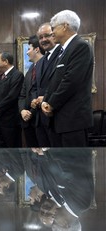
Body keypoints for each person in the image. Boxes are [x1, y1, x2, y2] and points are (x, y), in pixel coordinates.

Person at [41, 10, 94, 147]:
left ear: (65, 26)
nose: (52, 33)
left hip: (72, 121)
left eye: (54, 28)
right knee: (61, 165)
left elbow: (71, 81)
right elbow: (54, 81)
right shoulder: (62, 51)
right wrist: (45, 101)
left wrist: (51, 103)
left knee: (74, 166)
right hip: (59, 120)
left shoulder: (80, 47)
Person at [31, 23, 63, 147]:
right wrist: (34, 100)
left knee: (59, 160)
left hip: (56, 116)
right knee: (45, 162)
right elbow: (35, 86)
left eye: (47, 36)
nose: (43, 40)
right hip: (40, 119)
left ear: (54, 35)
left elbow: (62, 83)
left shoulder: (63, 55)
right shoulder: (40, 62)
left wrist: (45, 98)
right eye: (40, 37)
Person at [0, 52, 24, 147]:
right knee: (1, 154)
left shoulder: (17, 75)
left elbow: (12, 97)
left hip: (10, 122)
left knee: (12, 154)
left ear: (6, 62)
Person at [18, 35, 44, 147]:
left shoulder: (46, 66)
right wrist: (23, 111)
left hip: (41, 119)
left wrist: (31, 112)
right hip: (27, 121)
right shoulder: (30, 70)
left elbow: (43, 93)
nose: (27, 52)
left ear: (37, 49)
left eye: (29, 49)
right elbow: (22, 95)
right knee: (32, 157)